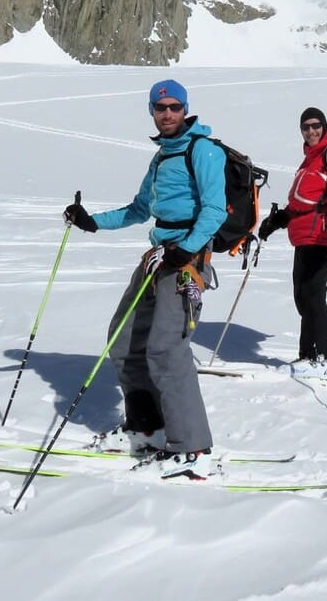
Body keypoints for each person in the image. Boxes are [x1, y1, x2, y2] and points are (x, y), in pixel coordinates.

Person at [62, 78, 223, 479]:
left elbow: (216, 209)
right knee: (124, 339)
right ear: (151, 110)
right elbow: (139, 209)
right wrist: (92, 223)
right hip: (158, 257)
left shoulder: (202, 150)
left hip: (185, 262)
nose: (166, 113)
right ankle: (147, 428)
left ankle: (194, 449)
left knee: (167, 349)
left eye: (173, 107)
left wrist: (188, 248)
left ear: (185, 109)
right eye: (159, 107)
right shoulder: (162, 157)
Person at [257, 107, 327, 377]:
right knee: (302, 297)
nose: (311, 131)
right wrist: (279, 219)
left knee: (313, 296)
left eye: (316, 126)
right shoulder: (309, 160)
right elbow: (302, 202)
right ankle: (307, 355)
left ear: (325, 126)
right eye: (306, 127)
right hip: (304, 237)